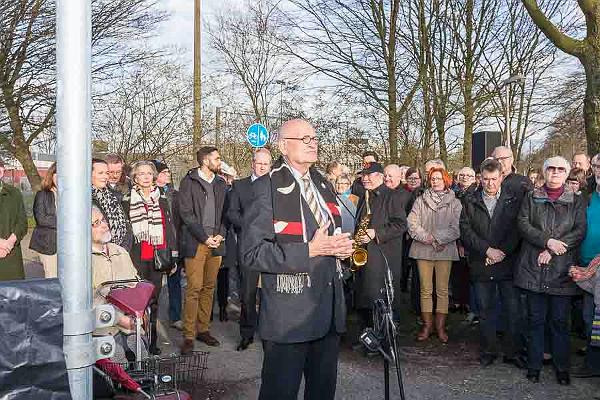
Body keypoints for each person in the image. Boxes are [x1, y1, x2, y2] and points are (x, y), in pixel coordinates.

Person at [241, 119, 353, 400]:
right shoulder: (265, 187)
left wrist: (340, 249)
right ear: (283, 146)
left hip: (327, 313)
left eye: (314, 137)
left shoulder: (323, 184)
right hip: (289, 318)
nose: (312, 142)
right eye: (304, 139)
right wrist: (309, 251)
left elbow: (329, 235)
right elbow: (252, 253)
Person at [515, 156, 586, 384]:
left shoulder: (577, 200)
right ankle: (534, 365)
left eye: (560, 169)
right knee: (535, 319)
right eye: (551, 168)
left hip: (562, 270)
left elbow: (578, 230)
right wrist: (547, 241)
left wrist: (554, 249)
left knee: (559, 322)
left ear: (567, 173)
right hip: (534, 267)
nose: (555, 172)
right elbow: (523, 224)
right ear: (544, 172)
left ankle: (561, 367)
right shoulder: (530, 197)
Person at [460, 159, 523, 367]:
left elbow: (517, 229)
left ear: (501, 177)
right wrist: (487, 250)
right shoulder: (469, 200)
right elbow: (466, 231)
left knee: (512, 310)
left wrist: (502, 252)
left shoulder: (513, 199)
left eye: (494, 179)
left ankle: (512, 352)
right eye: (485, 179)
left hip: (507, 263)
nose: (490, 183)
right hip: (481, 262)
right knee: (485, 311)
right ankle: (489, 350)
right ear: (480, 178)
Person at [122, 161, 177, 355]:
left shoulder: (162, 199)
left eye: (149, 173)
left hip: (157, 256)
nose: (146, 177)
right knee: (136, 302)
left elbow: (169, 229)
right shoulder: (127, 200)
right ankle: (135, 341)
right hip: (136, 256)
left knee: (154, 300)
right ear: (135, 178)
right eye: (141, 174)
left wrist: (173, 256)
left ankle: (152, 342)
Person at [179, 146, 227, 354]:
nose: (219, 161)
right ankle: (189, 336)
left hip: (216, 243)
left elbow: (226, 212)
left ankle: (203, 329)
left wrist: (220, 234)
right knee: (194, 288)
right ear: (205, 160)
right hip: (196, 242)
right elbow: (186, 214)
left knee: (209, 287)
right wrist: (204, 237)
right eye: (217, 158)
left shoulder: (220, 183)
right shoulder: (188, 182)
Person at [353, 162, 408, 338]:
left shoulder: (391, 196)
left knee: (381, 302)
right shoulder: (365, 197)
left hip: (383, 258)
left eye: (369, 175)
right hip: (365, 256)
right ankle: (369, 338)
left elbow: (401, 225)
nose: (365, 178)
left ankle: (384, 339)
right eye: (363, 175)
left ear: (379, 176)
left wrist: (376, 233)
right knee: (365, 299)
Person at [408, 167, 462, 343]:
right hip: (423, 249)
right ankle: (427, 325)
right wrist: (428, 238)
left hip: (445, 250)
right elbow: (412, 223)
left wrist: (438, 239)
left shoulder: (455, 203)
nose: (435, 181)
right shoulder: (420, 200)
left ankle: (440, 327)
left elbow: (457, 227)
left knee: (442, 290)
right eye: (432, 178)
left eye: (438, 178)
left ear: (445, 180)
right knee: (425, 290)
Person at [227, 148, 272, 351]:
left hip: (273, 245)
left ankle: (269, 331)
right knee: (248, 292)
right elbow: (232, 213)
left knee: (271, 291)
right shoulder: (240, 186)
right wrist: (250, 226)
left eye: (266, 163)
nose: (262, 167)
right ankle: (246, 333)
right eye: (259, 163)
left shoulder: (277, 186)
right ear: (252, 163)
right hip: (248, 245)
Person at [571, 153, 600, 379]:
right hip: (587, 269)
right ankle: (593, 362)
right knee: (590, 317)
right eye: (598, 166)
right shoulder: (587, 199)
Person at [91, 205, 139, 336]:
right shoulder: (81, 262)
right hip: (100, 334)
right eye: (96, 223)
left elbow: (136, 285)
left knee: (142, 353)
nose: (105, 226)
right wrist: (119, 319)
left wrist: (140, 313)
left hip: (131, 328)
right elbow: (85, 305)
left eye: (103, 220)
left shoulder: (120, 252)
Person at [151, 160, 183, 331]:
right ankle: (150, 317)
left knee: (174, 281)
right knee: (153, 284)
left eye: (168, 172)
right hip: (155, 242)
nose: (167, 175)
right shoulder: (149, 194)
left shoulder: (174, 194)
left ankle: (175, 315)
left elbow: (179, 222)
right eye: (164, 172)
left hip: (173, 242)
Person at [92, 158, 133, 251]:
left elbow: (126, 226)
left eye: (106, 173)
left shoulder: (112, 196)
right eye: (100, 173)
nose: (106, 177)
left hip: (119, 253)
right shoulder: (83, 200)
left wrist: (122, 251)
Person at [0, 158, 27, 281]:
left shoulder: (14, 193)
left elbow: (22, 223)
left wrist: (9, 243)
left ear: (2, 170)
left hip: (11, 254)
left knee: (13, 295)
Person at [30, 162, 58, 278]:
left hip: (68, 244)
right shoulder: (43, 194)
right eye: (58, 175)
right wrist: (69, 222)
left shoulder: (72, 195)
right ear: (52, 175)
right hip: (48, 245)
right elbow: (41, 219)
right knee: (52, 277)